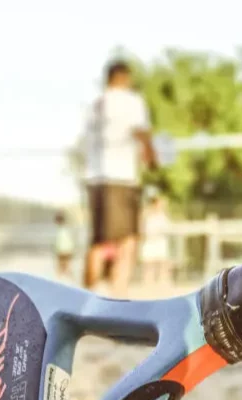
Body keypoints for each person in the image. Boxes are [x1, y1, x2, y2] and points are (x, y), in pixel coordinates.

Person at [82, 60, 158, 295]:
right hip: (121, 178)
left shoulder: (96, 105)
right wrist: (152, 157)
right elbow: (141, 132)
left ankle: (86, 298)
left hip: (96, 179)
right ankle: (119, 297)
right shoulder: (130, 101)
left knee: (99, 240)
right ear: (124, 77)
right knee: (129, 240)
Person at [140, 191, 172, 287]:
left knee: (163, 261)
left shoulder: (163, 215)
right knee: (148, 263)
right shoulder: (147, 213)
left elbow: (167, 226)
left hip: (160, 239)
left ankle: (163, 280)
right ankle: (148, 281)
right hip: (149, 240)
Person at [53, 210, 74, 279]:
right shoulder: (66, 229)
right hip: (67, 250)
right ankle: (69, 278)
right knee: (66, 266)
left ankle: (59, 279)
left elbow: (58, 242)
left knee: (61, 266)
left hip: (62, 250)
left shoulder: (60, 230)